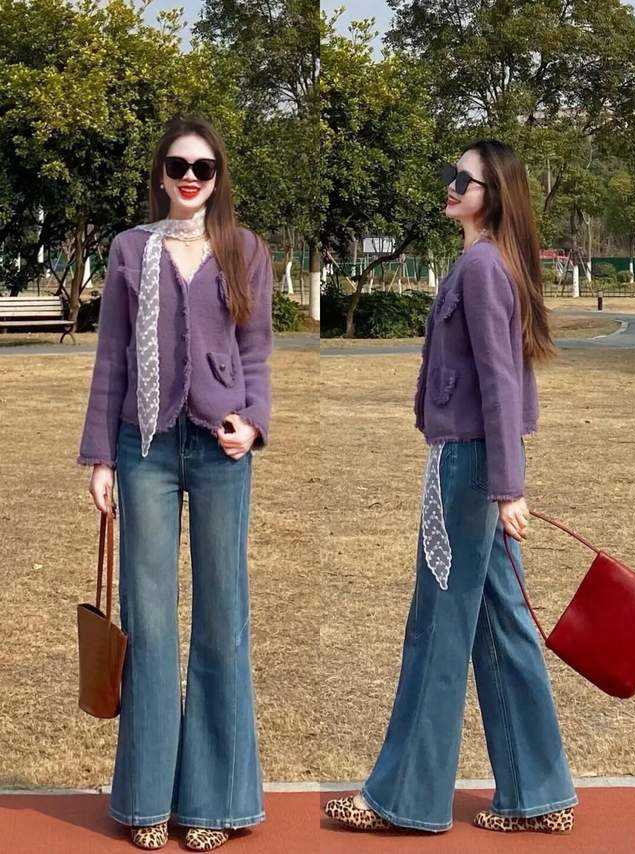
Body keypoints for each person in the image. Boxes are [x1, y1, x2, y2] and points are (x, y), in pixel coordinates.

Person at [325, 139, 578, 836]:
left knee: (436, 627)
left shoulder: (482, 267)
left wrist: (507, 487)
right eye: (450, 175)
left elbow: (499, 383)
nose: (450, 185)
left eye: (463, 180)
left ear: (492, 195)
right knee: (501, 623)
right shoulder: (486, 262)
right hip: (475, 463)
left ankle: (403, 798)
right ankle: (540, 792)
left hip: (468, 467)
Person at [77, 115, 273, 851]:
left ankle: (215, 805)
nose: (190, 177)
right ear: (160, 173)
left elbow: (256, 352)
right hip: (145, 449)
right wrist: (101, 457)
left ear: (218, 177)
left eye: (203, 167)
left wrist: (253, 423)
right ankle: (147, 801)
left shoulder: (245, 249)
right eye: (178, 165)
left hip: (222, 449)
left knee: (222, 619)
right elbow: (111, 357)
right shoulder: (131, 248)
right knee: (150, 623)